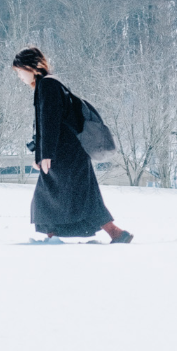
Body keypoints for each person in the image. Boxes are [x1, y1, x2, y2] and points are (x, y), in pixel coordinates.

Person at [12, 47, 132, 244]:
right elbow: (46, 124)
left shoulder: (47, 86)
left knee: (51, 195)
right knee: (78, 195)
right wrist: (40, 154)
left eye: (19, 71)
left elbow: (49, 122)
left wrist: (46, 155)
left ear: (30, 67)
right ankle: (115, 233)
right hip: (69, 151)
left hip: (64, 153)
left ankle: (55, 237)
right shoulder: (49, 84)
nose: (19, 77)